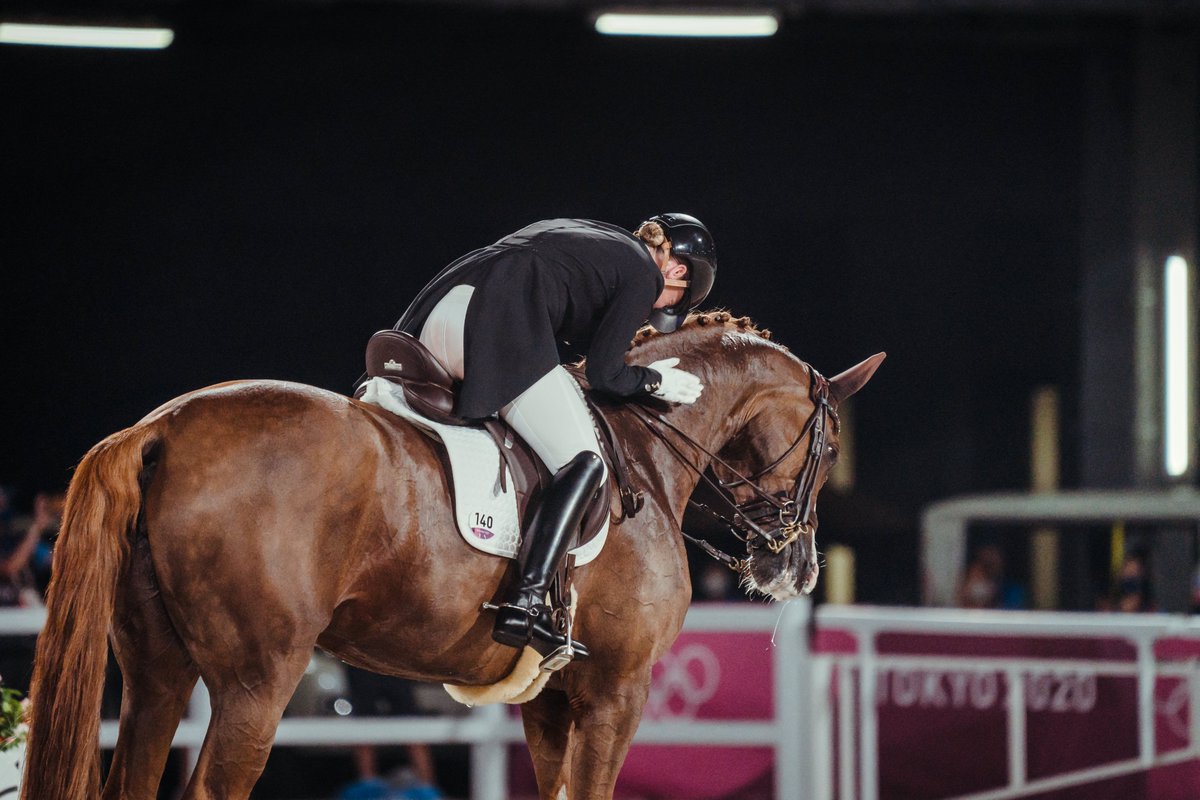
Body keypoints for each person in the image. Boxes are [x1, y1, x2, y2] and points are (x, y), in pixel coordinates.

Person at [394, 214, 717, 664]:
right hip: (496, 323)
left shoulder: (595, 237)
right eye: (670, 301)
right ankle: (525, 603)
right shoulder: (645, 272)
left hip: (439, 313)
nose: (653, 310)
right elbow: (606, 374)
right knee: (585, 462)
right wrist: (651, 382)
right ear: (678, 271)